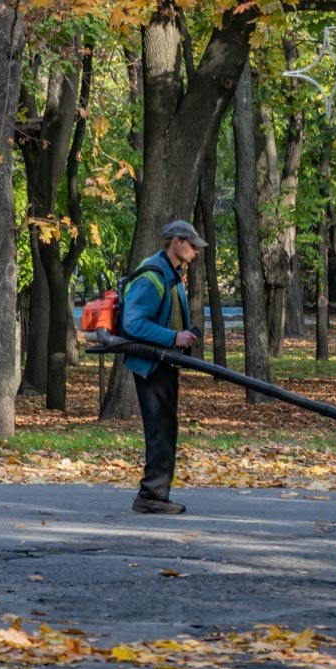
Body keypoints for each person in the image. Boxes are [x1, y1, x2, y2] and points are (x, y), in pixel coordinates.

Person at [121, 220, 206, 514]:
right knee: (159, 429)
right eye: (192, 245)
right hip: (152, 364)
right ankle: (151, 497)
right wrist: (173, 337)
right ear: (176, 242)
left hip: (164, 362)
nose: (196, 251)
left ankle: (157, 495)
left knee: (166, 427)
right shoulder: (153, 276)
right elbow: (132, 323)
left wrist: (182, 338)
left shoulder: (170, 274)